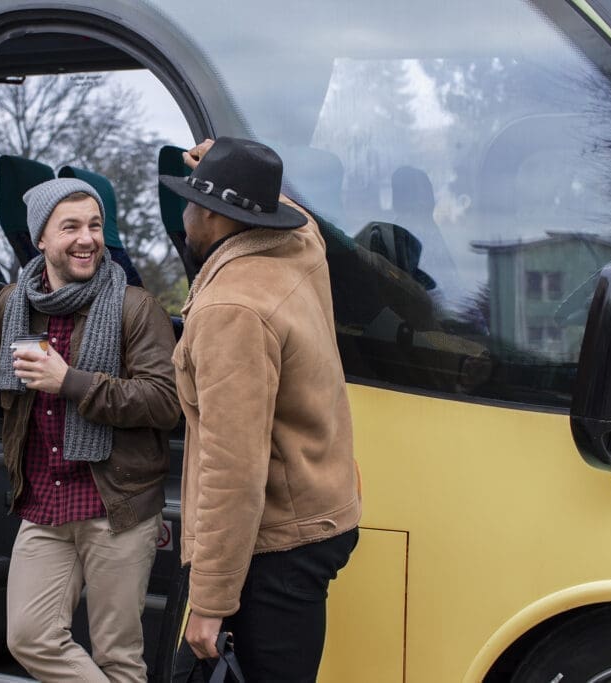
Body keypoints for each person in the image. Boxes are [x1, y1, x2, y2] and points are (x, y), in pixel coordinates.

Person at [0, 177, 179, 682]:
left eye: (94, 225)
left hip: (115, 506)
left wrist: (67, 381)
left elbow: (164, 402)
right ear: (41, 240)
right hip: (44, 505)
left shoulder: (136, 308)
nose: (87, 238)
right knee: (29, 637)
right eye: (70, 226)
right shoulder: (14, 303)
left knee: (119, 657)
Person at [160, 138, 361, 682]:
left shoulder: (232, 309)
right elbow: (297, 216)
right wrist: (233, 169)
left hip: (271, 547)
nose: (183, 216)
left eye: (191, 202)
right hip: (312, 522)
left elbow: (234, 469)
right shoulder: (298, 247)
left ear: (216, 215)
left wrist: (210, 602)